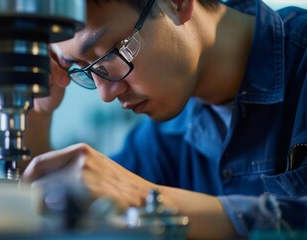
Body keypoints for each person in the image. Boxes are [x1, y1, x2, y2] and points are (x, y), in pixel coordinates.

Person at [22, 0, 307, 238]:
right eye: (83, 69)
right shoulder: (163, 136)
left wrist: (148, 202)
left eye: (111, 54)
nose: (106, 94)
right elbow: (79, 215)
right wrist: (34, 114)